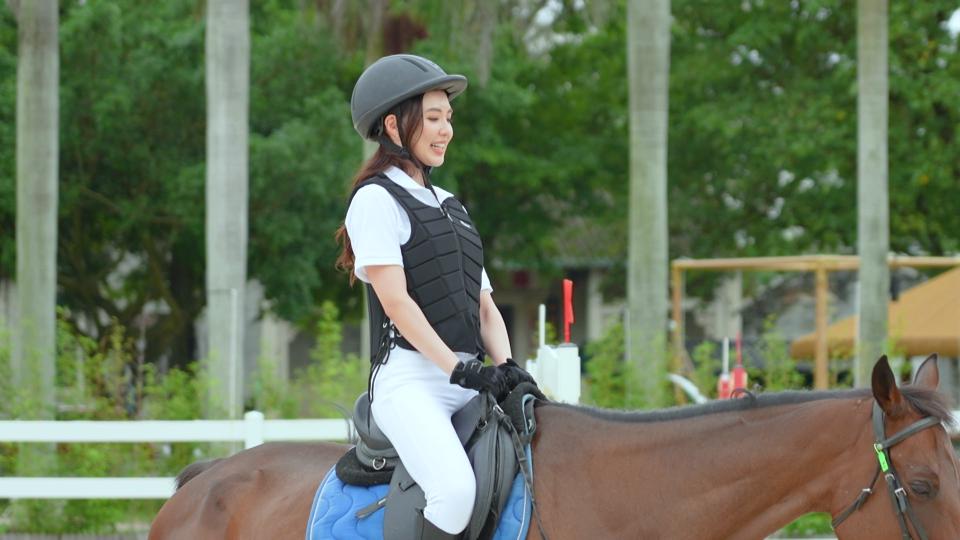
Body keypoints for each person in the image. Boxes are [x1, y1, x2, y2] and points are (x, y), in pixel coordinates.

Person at [334, 54, 536, 538]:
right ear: (394, 126)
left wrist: (506, 366)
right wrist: (455, 366)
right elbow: (397, 302)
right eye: (432, 118)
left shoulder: (452, 206)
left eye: (448, 119)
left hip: (469, 376)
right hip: (411, 382)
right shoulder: (375, 199)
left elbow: (484, 303)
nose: (445, 130)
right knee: (453, 491)